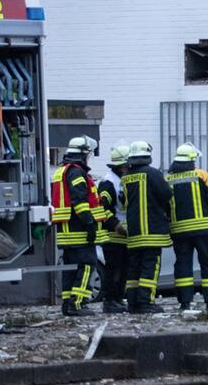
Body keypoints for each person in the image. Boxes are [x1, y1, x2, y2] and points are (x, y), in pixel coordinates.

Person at [50, 135, 107, 317]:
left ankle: (67, 304)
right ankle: (78, 303)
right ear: (83, 155)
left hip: (67, 232)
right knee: (87, 265)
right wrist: (90, 224)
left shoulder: (62, 171)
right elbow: (80, 201)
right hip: (79, 230)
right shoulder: (76, 172)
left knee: (71, 267)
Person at [166, 142, 208, 311]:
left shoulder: (168, 179)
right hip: (203, 230)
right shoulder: (201, 175)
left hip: (179, 232)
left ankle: (185, 303)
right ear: (192, 160)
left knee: (183, 265)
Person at [121, 141, 172, 314]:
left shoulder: (126, 178)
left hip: (134, 233)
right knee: (150, 267)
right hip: (152, 232)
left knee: (134, 268)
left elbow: (124, 202)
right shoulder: (152, 174)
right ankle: (146, 302)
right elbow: (166, 194)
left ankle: (133, 303)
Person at [97, 144, 131, 314]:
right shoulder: (108, 182)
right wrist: (116, 225)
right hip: (112, 234)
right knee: (113, 269)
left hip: (124, 235)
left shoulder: (122, 179)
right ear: (122, 165)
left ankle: (118, 299)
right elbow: (103, 208)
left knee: (123, 269)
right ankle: (109, 301)